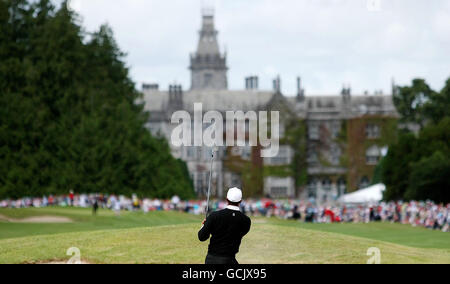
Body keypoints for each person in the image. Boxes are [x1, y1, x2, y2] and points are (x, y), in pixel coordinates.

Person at [198, 187, 251, 264]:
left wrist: (205, 225)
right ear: (240, 201)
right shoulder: (246, 220)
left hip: (211, 260)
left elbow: (202, 237)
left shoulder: (214, 216)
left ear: (226, 199)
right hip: (230, 259)